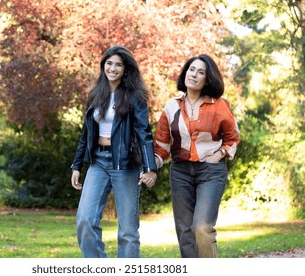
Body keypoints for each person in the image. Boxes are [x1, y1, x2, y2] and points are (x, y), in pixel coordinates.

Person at [70, 45, 157, 258]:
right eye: (109, 63)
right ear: (103, 66)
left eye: (118, 64)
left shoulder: (135, 96)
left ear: (125, 69)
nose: (113, 68)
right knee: (85, 220)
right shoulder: (95, 95)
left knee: (128, 230)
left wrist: (150, 168)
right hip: (98, 163)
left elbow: (144, 132)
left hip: (126, 165)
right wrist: (76, 165)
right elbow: (86, 133)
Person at [153, 54, 240, 258]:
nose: (194, 74)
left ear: (207, 80)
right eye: (192, 69)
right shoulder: (171, 106)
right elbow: (162, 144)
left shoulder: (219, 105)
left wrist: (219, 154)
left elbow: (233, 138)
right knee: (184, 232)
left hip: (210, 171)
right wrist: (152, 165)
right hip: (180, 172)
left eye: (201, 72)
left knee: (201, 227)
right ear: (185, 72)